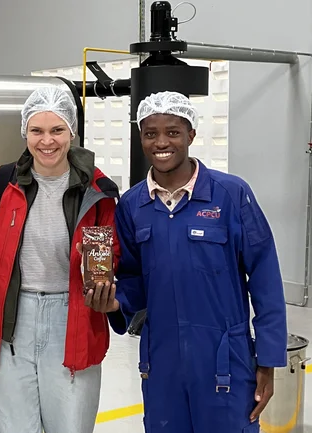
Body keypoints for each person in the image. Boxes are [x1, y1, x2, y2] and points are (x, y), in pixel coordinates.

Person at [111, 90, 288, 432]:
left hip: (226, 361)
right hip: (162, 362)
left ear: (191, 134)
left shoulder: (231, 195)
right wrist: (113, 302)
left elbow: (265, 277)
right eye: (151, 133)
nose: (162, 142)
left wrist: (267, 361)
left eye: (173, 132)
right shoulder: (132, 206)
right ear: (141, 138)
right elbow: (133, 279)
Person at [0, 86, 123, 433]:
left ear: (72, 132)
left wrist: (101, 276)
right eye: (37, 131)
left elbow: (112, 256)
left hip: (73, 317)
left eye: (57, 130)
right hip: (11, 320)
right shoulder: (2, 181)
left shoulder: (98, 190)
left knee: (70, 425)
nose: (47, 141)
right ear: (25, 133)